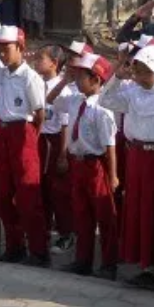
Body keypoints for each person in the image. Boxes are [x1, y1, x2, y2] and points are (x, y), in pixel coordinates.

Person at [100, 44, 154, 292]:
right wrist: (118, 75)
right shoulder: (132, 95)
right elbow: (105, 98)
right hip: (137, 158)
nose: (139, 75)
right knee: (141, 213)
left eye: (146, 70)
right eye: (137, 69)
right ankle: (148, 267)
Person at [0, 26, 49, 265]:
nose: (2, 53)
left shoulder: (29, 77)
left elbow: (39, 113)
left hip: (22, 132)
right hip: (2, 131)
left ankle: (39, 250)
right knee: (4, 193)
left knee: (27, 194)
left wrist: (31, 142)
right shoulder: (0, 74)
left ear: (20, 48)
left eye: (6, 48)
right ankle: (15, 246)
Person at [54, 44, 119, 279]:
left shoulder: (103, 109)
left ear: (96, 79)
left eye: (81, 75)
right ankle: (83, 260)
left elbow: (110, 145)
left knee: (104, 216)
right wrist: (65, 80)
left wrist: (112, 175)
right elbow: (51, 99)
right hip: (77, 163)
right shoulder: (74, 101)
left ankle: (109, 264)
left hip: (96, 165)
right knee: (81, 214)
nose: (77, 79)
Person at [35, 45, 76, 252]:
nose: (36, 61)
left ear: (54, 63)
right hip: (39, 141)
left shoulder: (63, 89)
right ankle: (42, 231)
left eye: (41, 58)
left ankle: (66, 233)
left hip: (55, 142)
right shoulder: (35, 83)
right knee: (41, 188)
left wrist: (62, 154)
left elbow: (65, 124)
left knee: (58, 191)